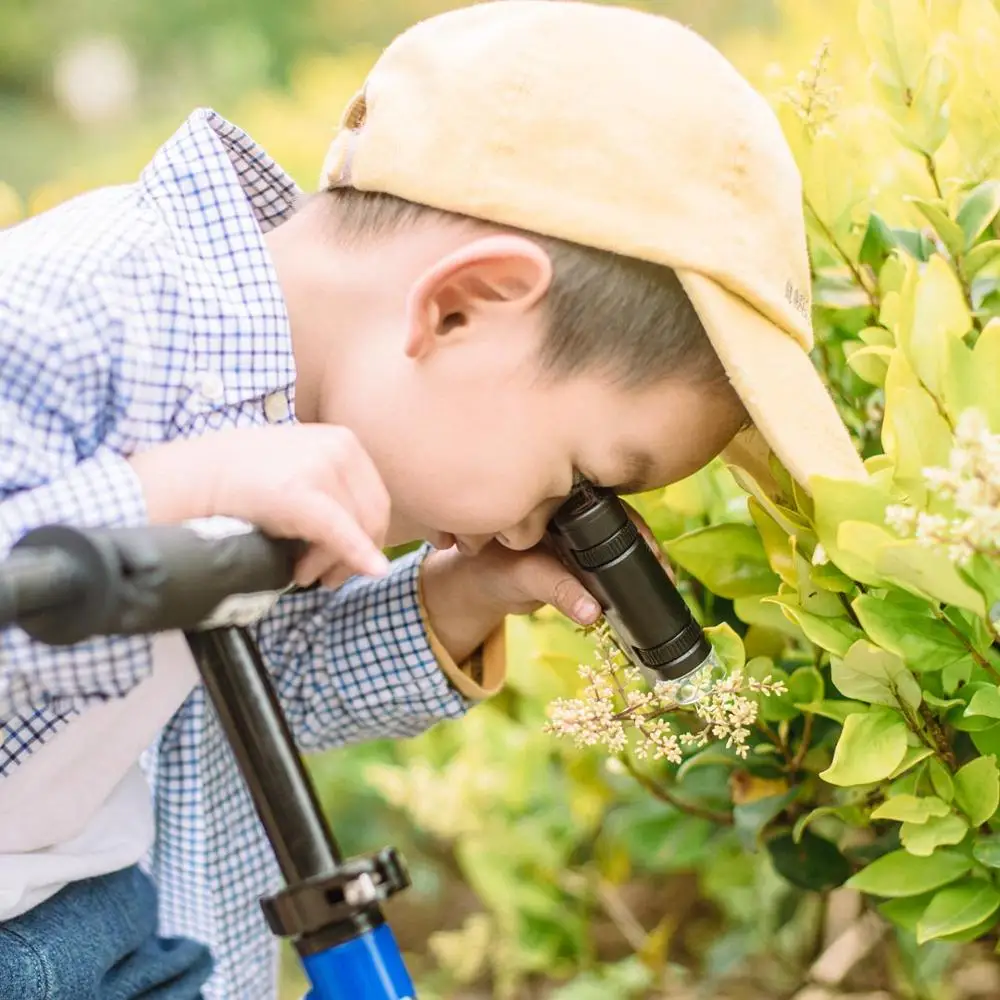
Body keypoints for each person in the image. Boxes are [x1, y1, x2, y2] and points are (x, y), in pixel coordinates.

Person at [0, 1, 865, 997]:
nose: (545, 524)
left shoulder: (285, 408)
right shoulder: (65, 314)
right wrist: (169, 499)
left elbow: (220, 693)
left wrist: (461, 594)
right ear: (461, 307)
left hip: (108, 927)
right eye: (580, 480)